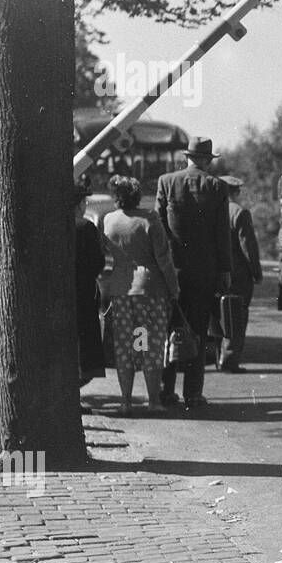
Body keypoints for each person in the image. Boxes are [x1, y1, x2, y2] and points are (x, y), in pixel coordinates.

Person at [155, 136, 232, 410]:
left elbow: (158, 229)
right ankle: (193, 393)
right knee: (198, 331)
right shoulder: (217, 186)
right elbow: (222, 234)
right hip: (204, 272)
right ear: (207, 160)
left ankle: (165, 390)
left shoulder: (166, 182)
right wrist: (225, 270)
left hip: (171, 272)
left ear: (187, 157)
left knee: (170, 329)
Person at [102, 175, 180, 416]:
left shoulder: (109, 220)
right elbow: (164, 259)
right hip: (150, 290)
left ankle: (126, 401)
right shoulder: (149, 220)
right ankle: (153, 400)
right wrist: (174, 288)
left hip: (121, 290)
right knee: (149, 345)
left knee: (126, 346)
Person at [211, 176, 261, 374]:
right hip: (237, 275)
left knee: (217, 316)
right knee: (236, 317)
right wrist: (256, 272)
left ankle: (217, 357)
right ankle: (230, 360)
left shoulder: (209, 211)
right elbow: (248, 247)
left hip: (213, 273)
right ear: (234, 192)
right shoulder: (239, 212)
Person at [73, 176, 107, 396]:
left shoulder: (55, 227)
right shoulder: (87, 228)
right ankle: (74, 393)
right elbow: (98, 261)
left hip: (61, 295)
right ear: (78, 204)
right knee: (85, 350)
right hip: (84, 293)